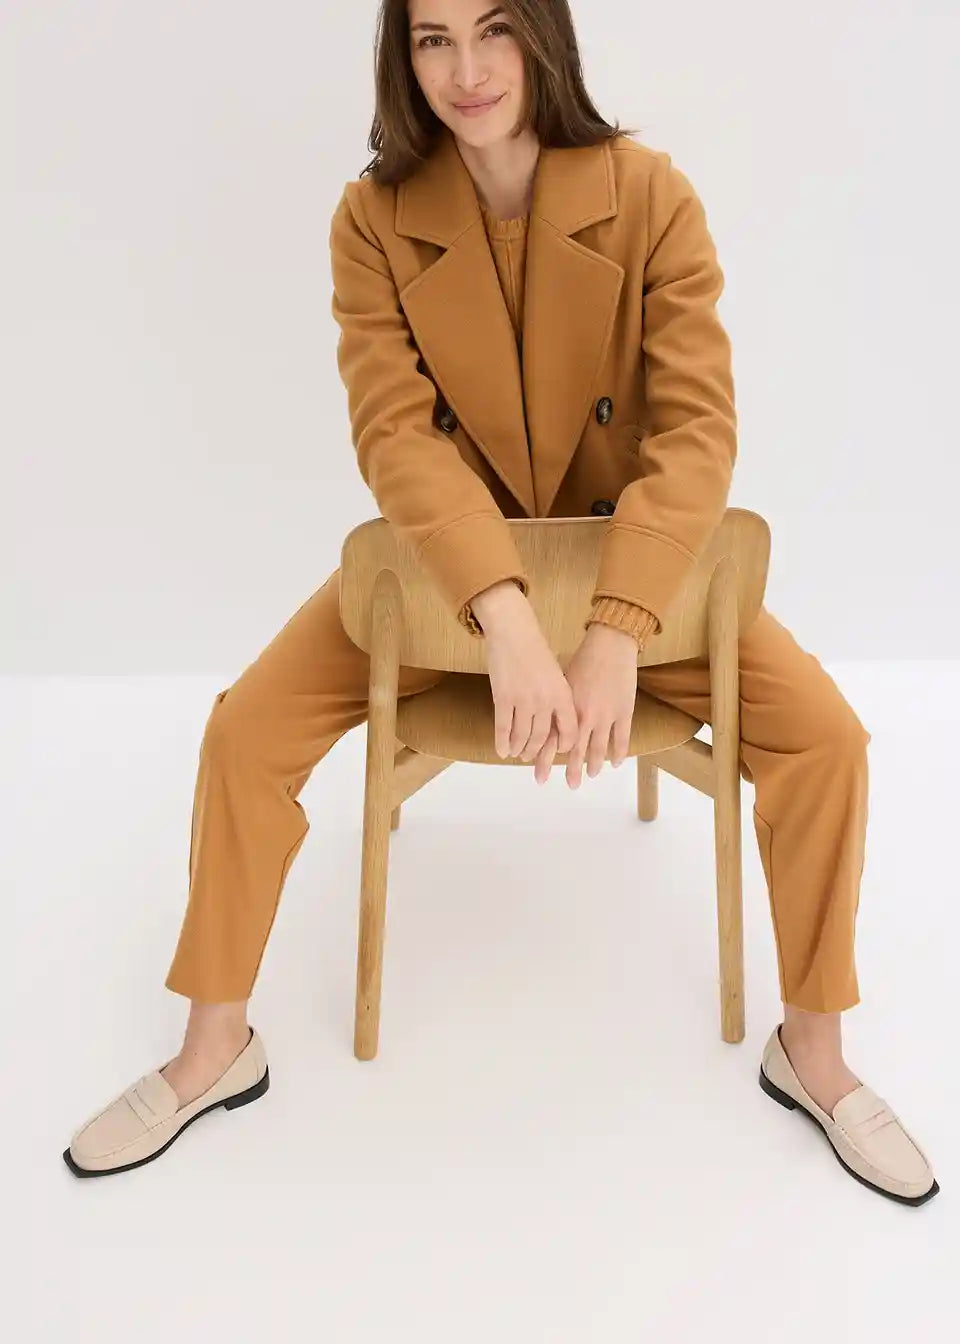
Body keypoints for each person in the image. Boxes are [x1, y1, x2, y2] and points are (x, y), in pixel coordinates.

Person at [63, 0, 939, 1204]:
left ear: (544, 38)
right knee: (243, 735)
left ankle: (817, 1054)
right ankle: (214, 1047)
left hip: (638, 579)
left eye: (494, 31)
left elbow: (698, 433)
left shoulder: (650, 195)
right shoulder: (373, 220)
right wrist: (506, 614)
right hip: (444, 582)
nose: (466, 70)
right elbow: (396, 438)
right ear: (402, 55)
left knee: (827, 743)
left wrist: (616, 629)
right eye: (432, 39)